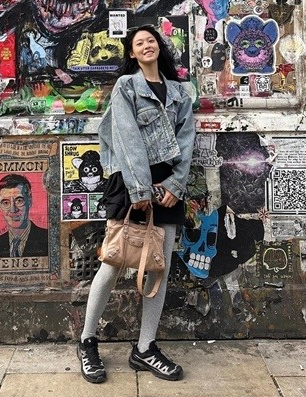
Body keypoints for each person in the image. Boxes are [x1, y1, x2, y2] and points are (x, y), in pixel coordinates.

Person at [77, 24, 195, 383]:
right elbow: (125, 137)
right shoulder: (126, 87)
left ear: (159, 47)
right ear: (132, 52)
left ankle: (145, 348)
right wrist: (140, 189)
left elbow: (187, 138)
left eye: (151, 40)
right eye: (139, 43)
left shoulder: (179, 92)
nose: (146, 45)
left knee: (158, 268)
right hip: (130, 183)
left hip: (167, 187)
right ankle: (87, 342)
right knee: (113, 263)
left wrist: (175, 184)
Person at [0, 174, 48, 258]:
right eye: (6, 203)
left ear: (29, 201)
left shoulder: (49, 240)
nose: (13, 210)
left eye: (19, 201)